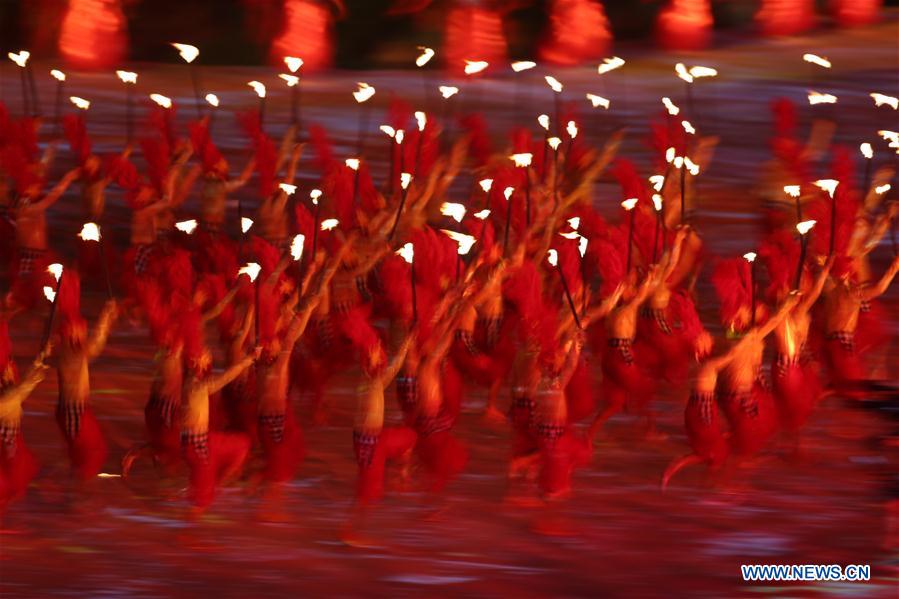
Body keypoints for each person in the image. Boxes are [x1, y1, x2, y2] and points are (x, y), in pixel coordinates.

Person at [53, 271, 118, 484]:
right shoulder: (69, 352)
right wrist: (106, 318)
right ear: (71, 333)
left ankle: (74, 492)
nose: (82, 332)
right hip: (74, 412)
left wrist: (107, 319)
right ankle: (76, 497)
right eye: (80, 330)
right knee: (91, 455)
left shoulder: (69, 349)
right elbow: (94, 347)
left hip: (75, 410)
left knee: (89, 454)